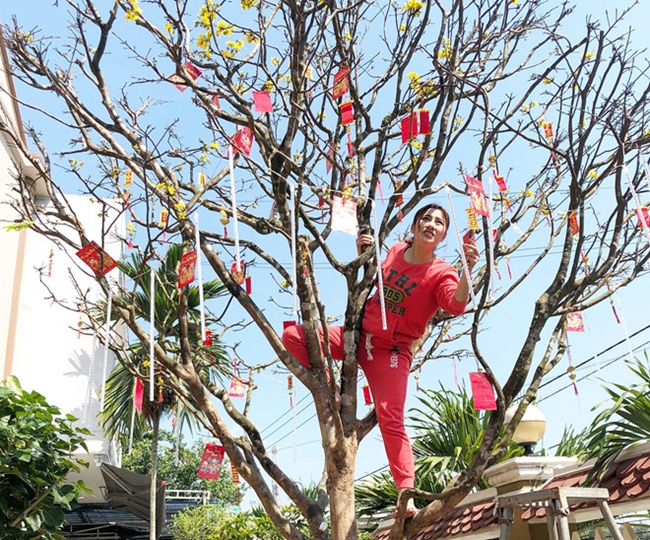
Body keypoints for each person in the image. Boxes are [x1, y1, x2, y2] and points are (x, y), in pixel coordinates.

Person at [282, 203, 480, 517]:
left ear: (444, 234)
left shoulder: (442, 272)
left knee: (391, 416)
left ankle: (406, 494)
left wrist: (467, 273)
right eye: (425, 218)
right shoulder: (396, 251)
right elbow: (373, 275)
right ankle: (331, 392)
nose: (431, 224)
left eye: (439, 222)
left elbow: (455, 305)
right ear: (414, 225)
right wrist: (365, 253)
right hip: (357, 336)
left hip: (391, 352)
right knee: (294, 336)